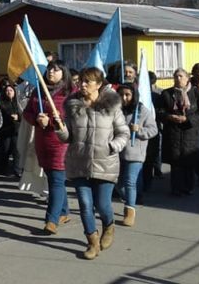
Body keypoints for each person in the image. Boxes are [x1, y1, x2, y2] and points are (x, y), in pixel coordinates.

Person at [57, 67, 129, 260]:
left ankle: (109, 226)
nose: (82, 85)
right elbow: (68, 138)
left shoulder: (112, 106)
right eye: (81, 81)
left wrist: (113, 146)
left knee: (102, 204)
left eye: (87, 82)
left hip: (105, 163)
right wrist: (59, 127)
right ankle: (92, 242)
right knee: (85, 204)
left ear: (98, 84)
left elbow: (124, 133)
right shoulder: (72, 106)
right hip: (79, 163)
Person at [22, 60, 74, 235]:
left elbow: (74, 118)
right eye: (50, 69)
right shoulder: (39, 91)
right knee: (54, 178)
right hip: (42, 141)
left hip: (61, 143)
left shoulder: (70, 93)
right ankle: (64, 212)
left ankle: (51, 220)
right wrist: (36, 118)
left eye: (56, 69)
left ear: (64, 72)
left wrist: (51, 121)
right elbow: (27, 112)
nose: (51, 72)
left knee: (56, 180)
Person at [161, 68, 199, 196]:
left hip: (190, 133)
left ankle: (188, 187)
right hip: (173, 133)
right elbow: (159, 112)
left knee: (189, 162)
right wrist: (169, 117)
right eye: (176, 76)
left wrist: (188, 119)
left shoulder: (197, 93)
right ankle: (176, 189)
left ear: (187, 78)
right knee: (175, 162)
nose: (178, 79)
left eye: (181, 76)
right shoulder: (166, 93)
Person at [116, 83, 157, 227]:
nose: (124, 98)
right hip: (118, 151)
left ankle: (130, 211)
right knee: (119, 184)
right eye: (121, 95)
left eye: (127, 95)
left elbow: (153, 130)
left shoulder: (142, 111)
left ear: (133, 95)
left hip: (135, 153)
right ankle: (130, 199)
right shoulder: (116, 110)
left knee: (129, 182)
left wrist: (139, 130)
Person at [0, 83, 22, 177]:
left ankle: (17, 170)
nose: (9, 92)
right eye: (7, 90)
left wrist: (18, 117)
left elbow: (23, 114)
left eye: (11, 90)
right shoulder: (1, 103)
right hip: (5, 130)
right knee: (5, 150)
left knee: (17, 150)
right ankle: (3, 168)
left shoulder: (17, 102)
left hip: (16, 130)